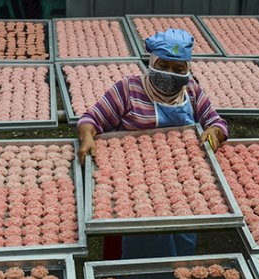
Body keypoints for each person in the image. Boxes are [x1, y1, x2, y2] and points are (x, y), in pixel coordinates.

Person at [77, 28, 228, 260]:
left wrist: (214, 132)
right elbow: (92, 119)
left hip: (181, 182)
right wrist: (87, 134)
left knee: (180, 243)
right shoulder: (128, 89)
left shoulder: (192, 91)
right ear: (152, 61)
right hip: (131, 182)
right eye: (163, 65)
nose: (170, 73)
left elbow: (215, 121)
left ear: (187, 69)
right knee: (135, 247)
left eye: (179, 69)